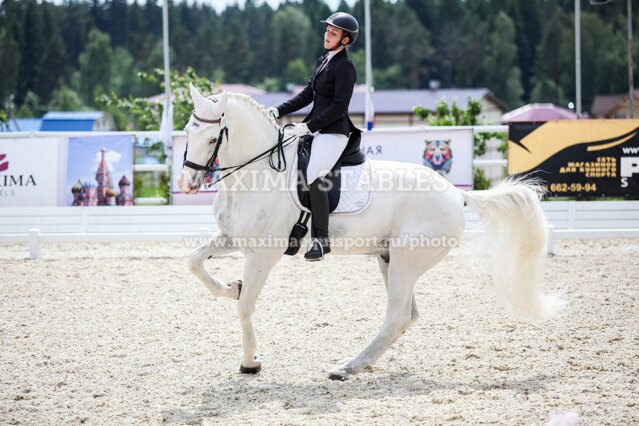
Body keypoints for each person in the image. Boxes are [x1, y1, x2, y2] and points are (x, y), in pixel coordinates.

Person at [268, 12, 359, 261]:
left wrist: (308, 127)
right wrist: (278, 110)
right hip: (315, 128)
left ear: (345, 41)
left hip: (333, 131)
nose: (327, 35)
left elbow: (338, 106)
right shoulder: (324, 61)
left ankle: (321, 240)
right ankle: (298, 230)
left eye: (333, 32)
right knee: (292, 171)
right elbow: (307, 95)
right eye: (327, 30)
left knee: (314, 174)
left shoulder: (345, 67)